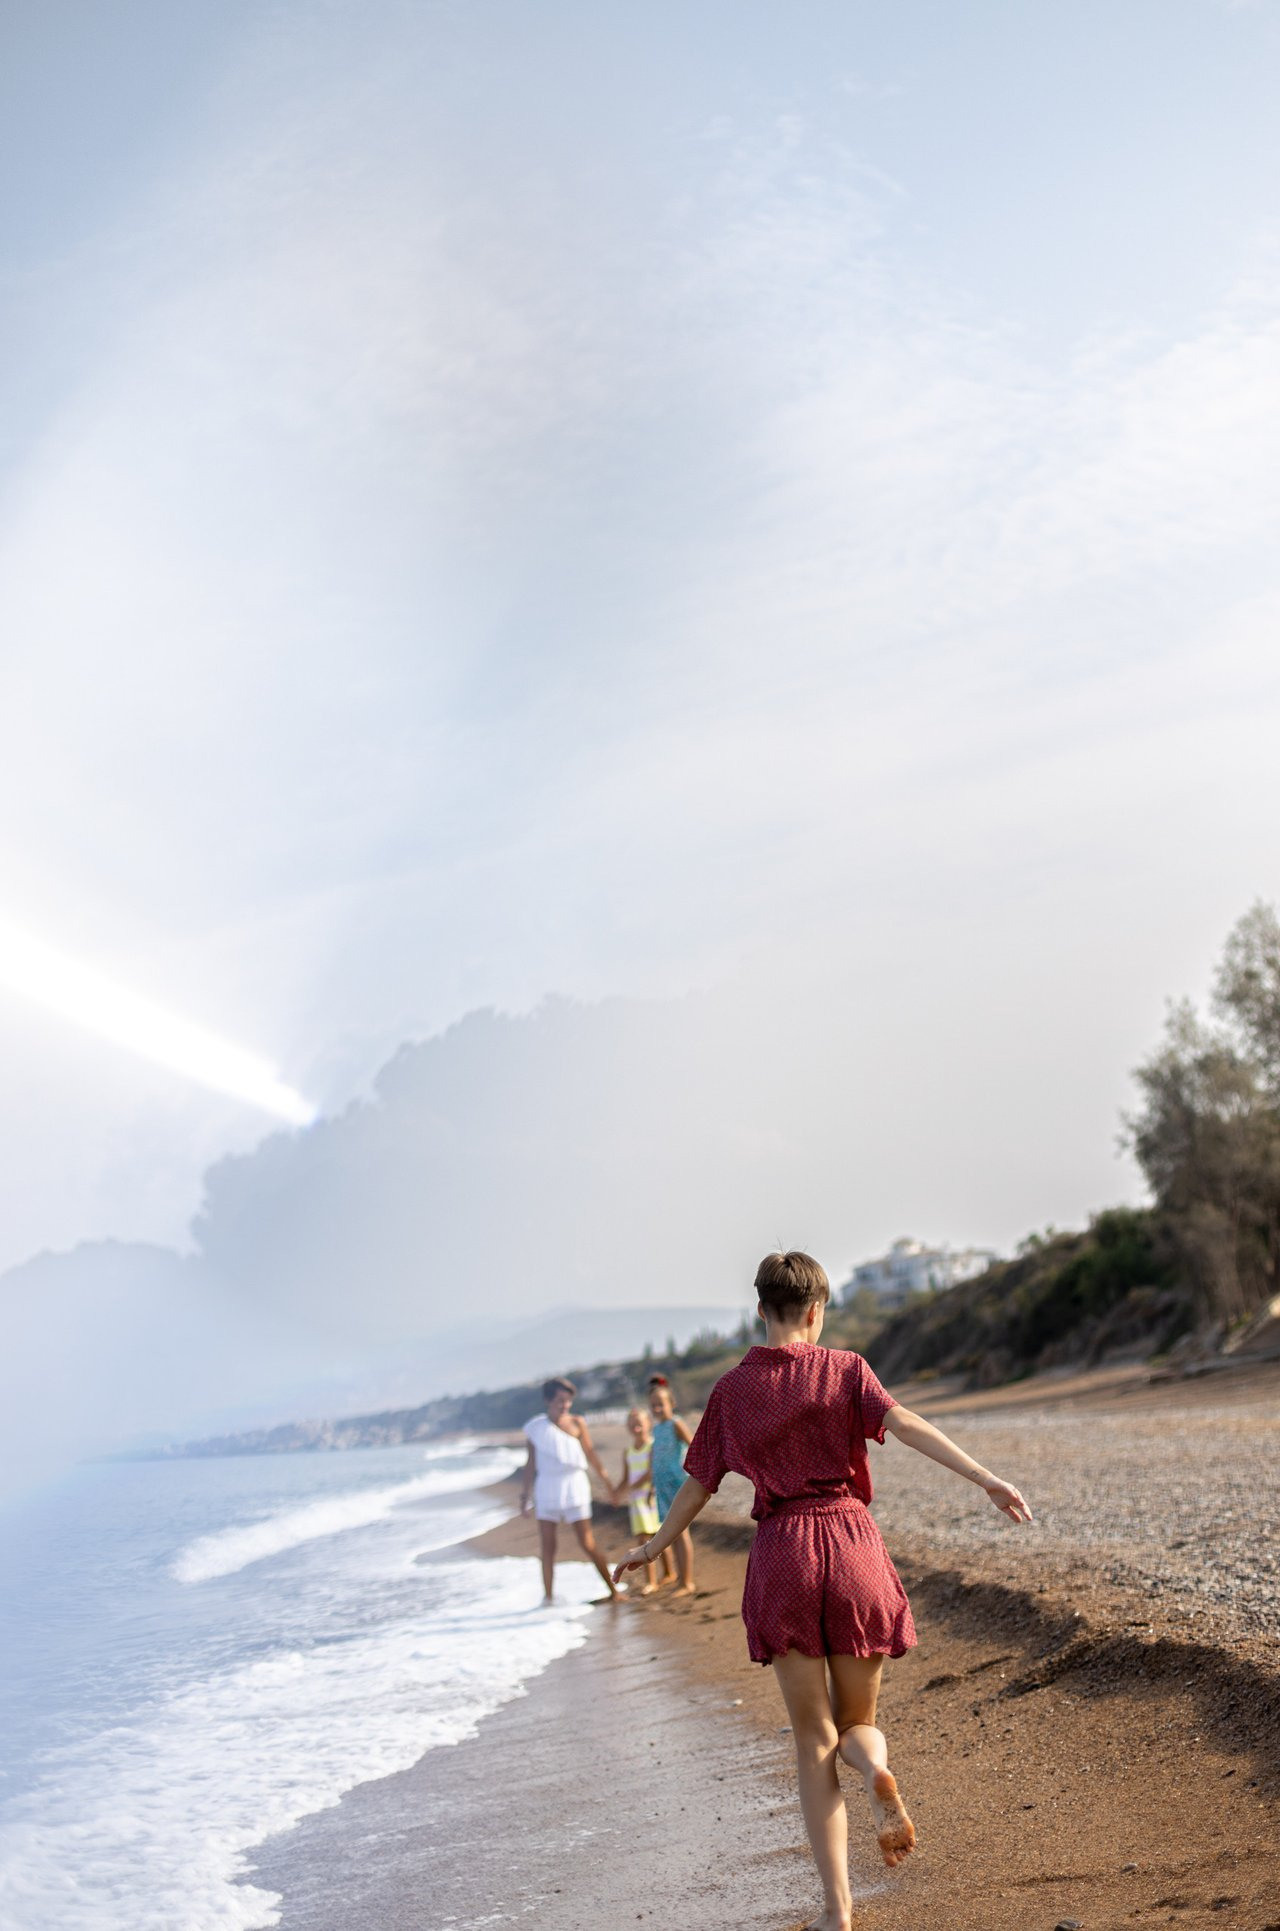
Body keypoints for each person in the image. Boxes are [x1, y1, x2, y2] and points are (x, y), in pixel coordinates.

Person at [614, 1252, 1032, 1931]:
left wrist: (653, 1546)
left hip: (784, 1553)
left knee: (813, 1739)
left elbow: (699, 1483)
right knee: (857, 1723)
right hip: (851, 1543)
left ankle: (837, 1910)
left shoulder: (731, 1391)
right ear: (817, 1309)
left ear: (760, 1309)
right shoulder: (846, 1368)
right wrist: (986, 1477)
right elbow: (907, 1424)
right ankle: (873, 1772)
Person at [520, 1377, 622, 1604]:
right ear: (548, 1400)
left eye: (568, 1400)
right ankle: (548, 1599)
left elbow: (591, 1455)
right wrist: (525, 1497)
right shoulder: (536, 1428)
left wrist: (608, 1485)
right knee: (548, 1546)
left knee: (587, 1542)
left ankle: (614, 1591)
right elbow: (530, 1465)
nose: (565, 1405)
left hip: (574, 1485)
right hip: (547, 1488)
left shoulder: (577, 1423)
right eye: (560, 1400)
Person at [611, 1407, 673, 1594]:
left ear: (648, 1424)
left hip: (651, 1497)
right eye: (632, 1424)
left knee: (659, 1537)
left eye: (639, 1423)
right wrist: (616, 1493)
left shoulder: (652, 1446)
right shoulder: (628, 1451)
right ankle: (652, 1580)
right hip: (636, 1502)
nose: (635, 1427)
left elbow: (651, 1472)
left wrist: (636, 1485)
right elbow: (626, 1477)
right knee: (643, 1538)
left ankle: (667, 1574)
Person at [647, 1375, 696, 1596]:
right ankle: (678, 1578)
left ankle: (687, 1582)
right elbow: (655, 1459)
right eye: (653, 1405)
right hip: (662, 1487)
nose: (657, 1409)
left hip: (677, 1484)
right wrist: (651, 1486)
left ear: (672, 1404)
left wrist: (697, 1477)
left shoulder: (676, 1423)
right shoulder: (656, 1429)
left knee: (681, 1532)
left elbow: (694, 1446)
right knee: (671, 1533)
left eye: (661, 1404)